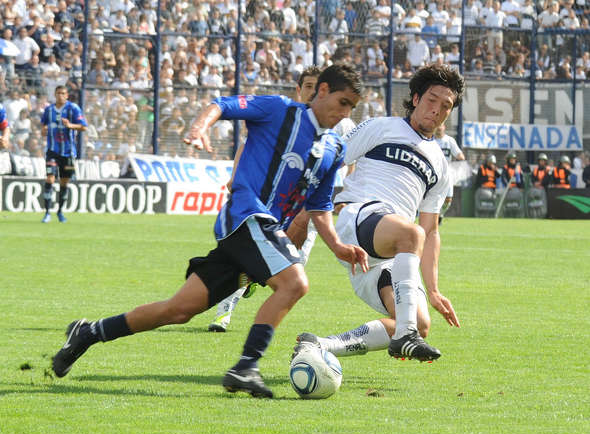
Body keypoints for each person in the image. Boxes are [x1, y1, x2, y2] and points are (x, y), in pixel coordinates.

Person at [50, 63, 368, 399]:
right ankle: (247, 366)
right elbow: (224, 104)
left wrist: (337, 246)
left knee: (179, 310)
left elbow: (319, 207)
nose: (345, 112)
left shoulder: (335, 148)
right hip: (246, 215)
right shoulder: (279, 109)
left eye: (351, 107)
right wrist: (200, 126)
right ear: (321, 90)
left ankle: (88, 333)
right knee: (295, 283)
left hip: (259, 232)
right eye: (342, 102)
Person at [293, 64, 463, 364]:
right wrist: (304, 212)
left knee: (420, 324)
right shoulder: (381, 127)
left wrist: (434, 290)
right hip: (359, 216)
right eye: (431, 100)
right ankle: (405, 338)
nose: (436, 110)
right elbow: (331, 160)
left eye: (446, 106)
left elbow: (432, 230)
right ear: (415, 98)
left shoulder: (440, 164)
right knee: (411, 233)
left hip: (390, 250)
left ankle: (320, 346)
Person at [208, 65, 357, 332]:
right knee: (249, 265)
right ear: (300, 90)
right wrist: (235, 175)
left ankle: (256, 289)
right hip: (265, 209)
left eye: (316, 86)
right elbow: (246, 144)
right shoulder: (282, 115)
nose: (311, 92)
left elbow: (348, 160)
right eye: (307, 87)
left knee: (291, 271)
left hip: (308, 210)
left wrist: (345, 192)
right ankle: (224, 312)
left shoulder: (342, 124)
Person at [41, 85, 87, 223]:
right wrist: (43, 130)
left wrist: (71, 126)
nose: (60, 95)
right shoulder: (49, 110)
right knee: (50, 179)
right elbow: (43, 125)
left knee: (64, 182)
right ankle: (47, 212)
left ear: (67, 95)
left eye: (63, 93)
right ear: (55, 95)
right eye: (58, 93)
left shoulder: (73, 109)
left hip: (68, 153)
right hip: (52, 152)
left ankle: (60, 212)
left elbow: (83, 126)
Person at [434, 123, 465, 223]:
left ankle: (440, 214)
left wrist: (460, 157)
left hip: (447, 175)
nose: (439, 128)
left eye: (441, 125)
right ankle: (430, 217)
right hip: (433, 174)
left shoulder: (449, 140)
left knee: (448, 200)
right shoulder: (430, 140)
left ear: (444, 127)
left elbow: (459, 154)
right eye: (437, 126)